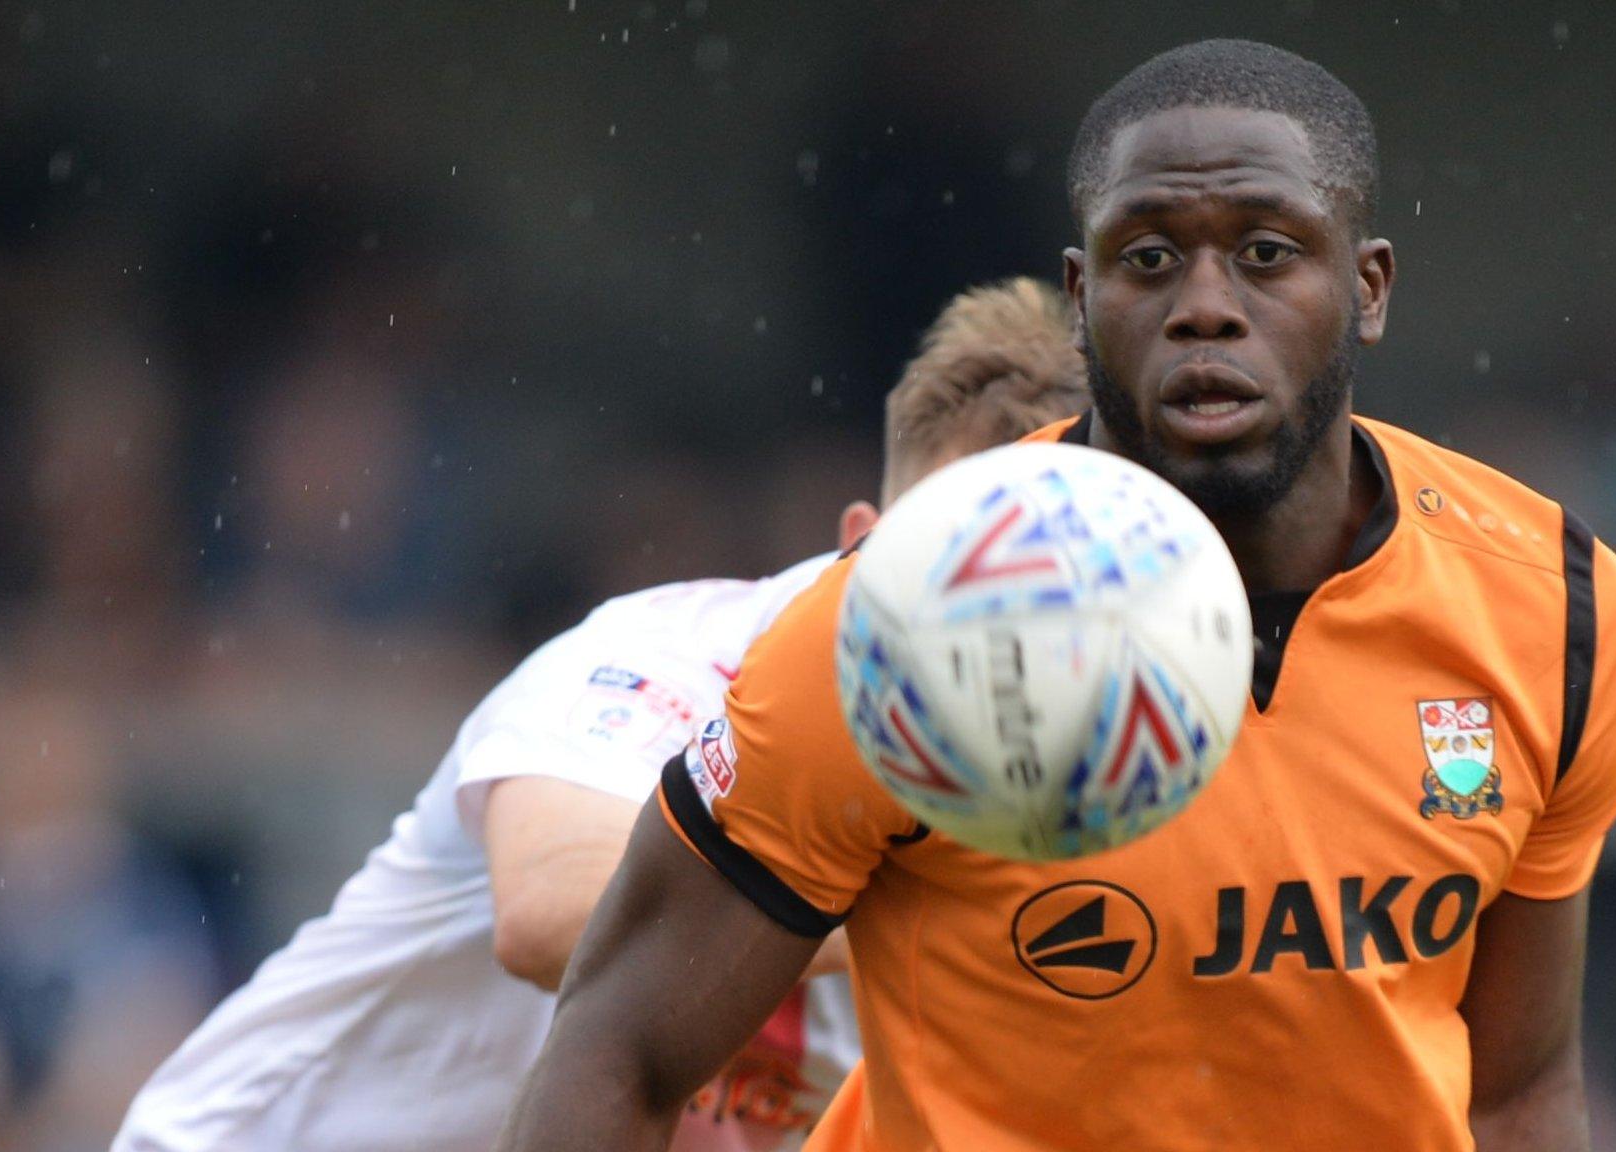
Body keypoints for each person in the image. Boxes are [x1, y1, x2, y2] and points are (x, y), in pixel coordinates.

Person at [499, 39, 1616, 1152]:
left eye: (1265, 252)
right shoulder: (909, 625)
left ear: (1366, 288)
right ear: (1079, 296)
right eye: (1145, 258)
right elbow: (616, 1053)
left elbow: (1516, 1091)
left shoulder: (1554, 610)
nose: (1204, 305)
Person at [110, 277, 1090, 1152]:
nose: (974, 632)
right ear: (856, 546)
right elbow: (549, 912)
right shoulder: (663, 658)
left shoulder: (1077, 828)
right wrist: (951, 922)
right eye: (945, 569)